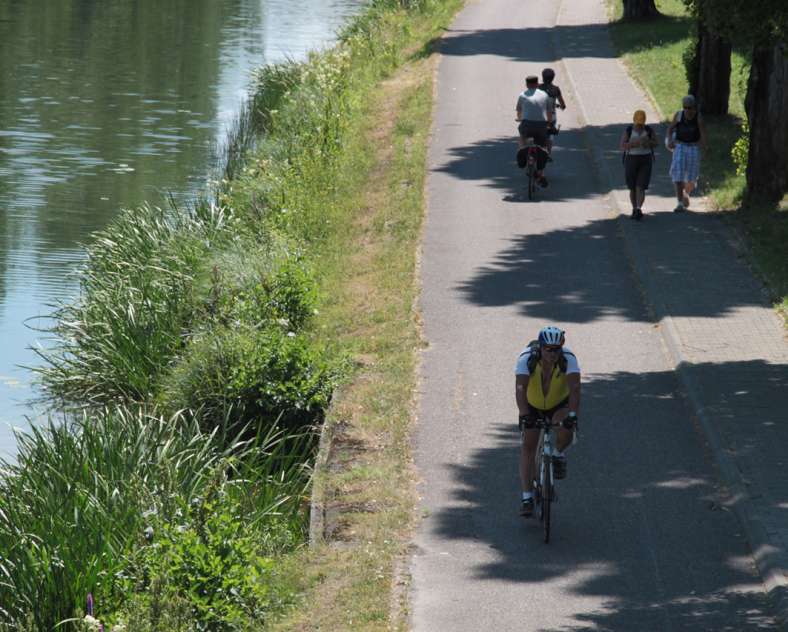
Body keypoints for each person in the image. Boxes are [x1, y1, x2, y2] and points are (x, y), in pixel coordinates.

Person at [515, 326, 581, 517]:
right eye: (548, 349)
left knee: (567, 429)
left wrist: (573, 416)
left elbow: (575, 389)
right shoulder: (527, 358)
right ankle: (527, 497)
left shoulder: (568, 359)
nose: (552, 353)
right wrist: (524, 414)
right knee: (528, 446)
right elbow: (520, 389)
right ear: (541, 347)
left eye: (556, 349)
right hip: (532, 404)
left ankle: (558, 453)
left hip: (558, 404)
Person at [666, 95, 707, 212]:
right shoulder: (679, 115)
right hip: (680, 146)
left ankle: (686, 193)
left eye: (689, 107)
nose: (687, 110)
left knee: (692, 179)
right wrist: (669, 140)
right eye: (685, 107)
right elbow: (670, 128)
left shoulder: (698, 118)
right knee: (678, 175)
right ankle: (679, 203)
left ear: (694, 107)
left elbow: (703, 134)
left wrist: (705, 148)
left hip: (693, 147)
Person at [619, 109, 657, 220]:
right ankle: (634, 208)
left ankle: (639, 209)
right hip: (631, 159)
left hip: (646, 159)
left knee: (641, 186)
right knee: (632, 187)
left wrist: (648, 143)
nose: (640, 125)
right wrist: (633, 144)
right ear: (634, 121)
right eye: (638, 123)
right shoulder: (629, 130)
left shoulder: (649, 130)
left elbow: (656, 143)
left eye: (641, 123)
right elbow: (622, 145)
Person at [516, 75, 553, 187]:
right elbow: (549, 112)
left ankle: (522, 151)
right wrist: (549, 123)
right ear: (537, 84)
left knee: (522, 136)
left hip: (527, 124)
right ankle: (540, 173)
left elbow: (519, 112)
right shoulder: (544, 95)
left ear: (527, 84)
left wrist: (520, 118)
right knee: (543, 147)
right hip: (541, 126)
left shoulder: (522, 95)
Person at [539, 68, 566, 153]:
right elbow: (562, 104)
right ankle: (548, 153)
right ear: (553, 78)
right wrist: (561, 106)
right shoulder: (556, 89)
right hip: (551, 115)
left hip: (539, 114)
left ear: (542, 78)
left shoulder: (538, 87)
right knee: (550, 135)